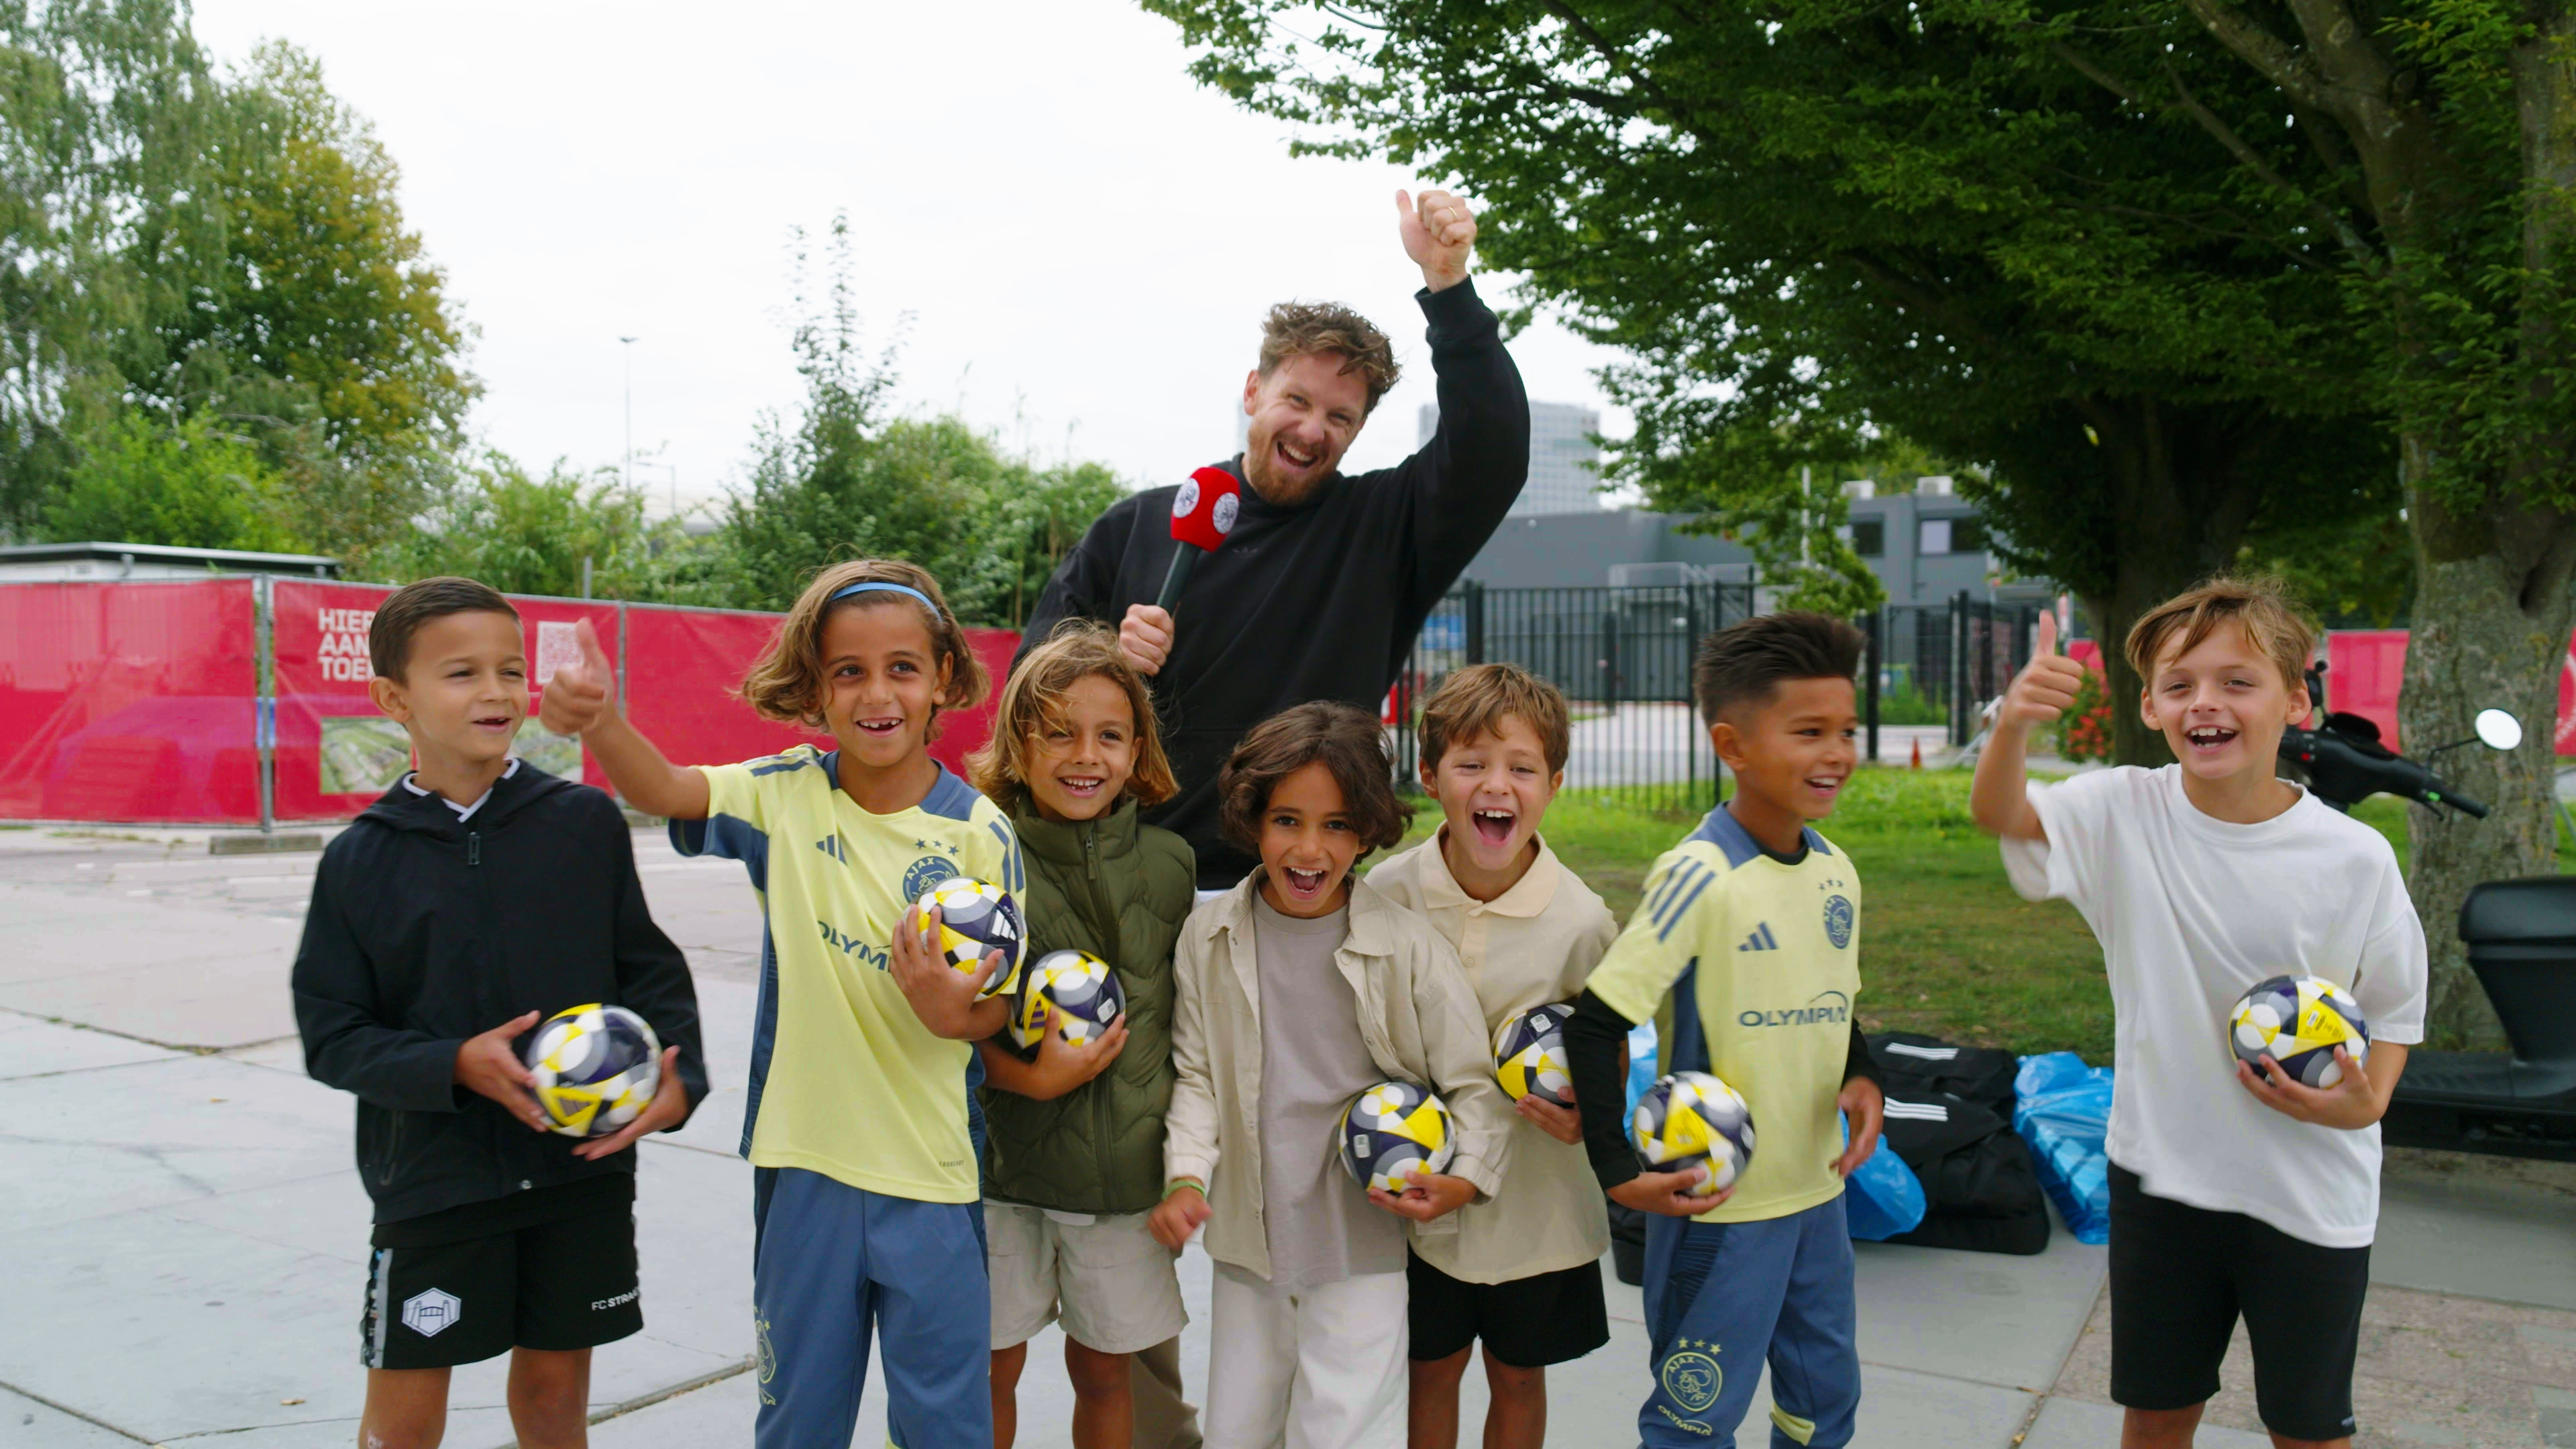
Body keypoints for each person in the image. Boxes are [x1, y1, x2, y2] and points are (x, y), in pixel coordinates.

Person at [538, 558, 1018, 1449]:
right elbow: (667, 789)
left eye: (902, 668)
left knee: (945, 1426)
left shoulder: (981, 833)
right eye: (850, 671)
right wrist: (601, 720)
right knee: (798, 1420)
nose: (878, 692)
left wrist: (955, 1015)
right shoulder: (786, 796)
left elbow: (1003, 1010)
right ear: (816, 689)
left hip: (935, 1177)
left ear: (943, 678)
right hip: (807, 1170)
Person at [1970, 578, 2426, 1449]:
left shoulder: (2355, 858)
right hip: (2162, 1176)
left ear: (2296, 700)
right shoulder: (2122, 812)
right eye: (2180, 686)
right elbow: (2002, 812)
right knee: (2158, 1411)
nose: (2205, 703)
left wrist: (2367, 1102)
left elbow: (2397, 1008)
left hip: (2309, 1188)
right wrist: (2015, 725)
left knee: (2308, 1427)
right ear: (2150, 706)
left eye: (2237, 681)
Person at [292, 576, 706, 1449]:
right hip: (434, 1183)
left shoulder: (584, 824)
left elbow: (650, 971)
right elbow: (334, 1035)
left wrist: (680, 1082)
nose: (495, 692)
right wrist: (450, 1064)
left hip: (576, 1177)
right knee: (404, 1422)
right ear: (391, 699)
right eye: (461, 673)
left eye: (510, 670)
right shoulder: (360, 862)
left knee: (556, 1401)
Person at [1017, 189, 1532, 892]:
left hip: (1301, 893)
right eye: (1297, 400)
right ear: (1254, 390)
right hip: (1129, 885)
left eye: (1340, 417)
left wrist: (1449, 289)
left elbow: (1491, 451)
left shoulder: (1386, 527)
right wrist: (1105, 663)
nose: (1313, 430)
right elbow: (1032, 691)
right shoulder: (1135, 526)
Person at [1559, 612, 1888, 1449]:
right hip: (1720, 1207)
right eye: (1808, 731)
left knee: (1824, 1408)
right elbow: (1598, 1026)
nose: (1837, 753)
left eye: (1846, 730)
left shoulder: (1834, 871)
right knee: (1693, 1420)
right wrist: (1616, 1170)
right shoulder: (1700, 873)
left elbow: (1835, 999)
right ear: (1733, 746)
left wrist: (1863, 1073)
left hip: (1818, 1196)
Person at [1147, 702, 1513, 1449]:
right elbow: (1197, 1078)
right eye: (1288, 820)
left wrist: (1464, 1178)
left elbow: (1473, 1084)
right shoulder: (1208, 936)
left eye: (1338, 825)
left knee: (1342, 1433)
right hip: (1250, 1242)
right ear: (1252, 821)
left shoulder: (1404, 948)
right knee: (1237, 1431)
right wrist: (1186, 1177)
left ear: (1368, 831)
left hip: (1362, 1245)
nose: (1310, 848)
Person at [1368, 664, 1619, 1449]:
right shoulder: (1384, 894)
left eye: (1521, 768)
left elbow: (1605, 1058)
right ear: (1429, 775)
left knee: (1518, 1375)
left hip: (1538, 1204)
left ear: (1555, 783)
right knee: (1431, 1368)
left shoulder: (1582, 921)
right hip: (1418, 1193)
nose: (1495, 786)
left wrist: (1589, 1121)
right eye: (1471, 764)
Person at [963, 621, 1200, 1449]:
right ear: (1016, 745)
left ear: (1138, 750)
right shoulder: (981, 861)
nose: (1084, 755)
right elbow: (947, 1028)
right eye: (1057, 732)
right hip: (1003, 1177)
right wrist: (1023, 1080)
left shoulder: (1172, 864)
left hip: (1123, 1191)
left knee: (1106, 1373)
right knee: (990, 1365)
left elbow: (1189, 1023)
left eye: (1108, 735)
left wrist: (1185, 1168)